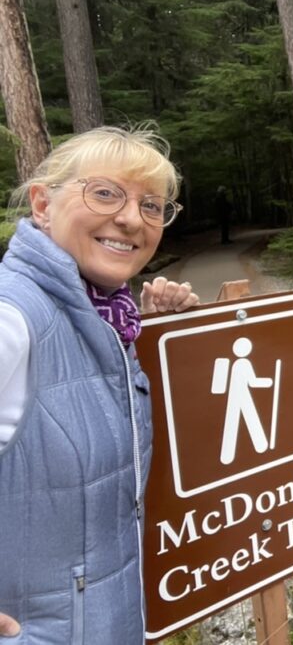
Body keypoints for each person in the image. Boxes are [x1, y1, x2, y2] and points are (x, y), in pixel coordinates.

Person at [0, 126, 199, 642]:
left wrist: (152, 338)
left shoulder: (110, 321)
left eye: (152, 206)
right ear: (43, 205)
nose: (132, 218)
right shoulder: (13, 318)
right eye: (105, 193)